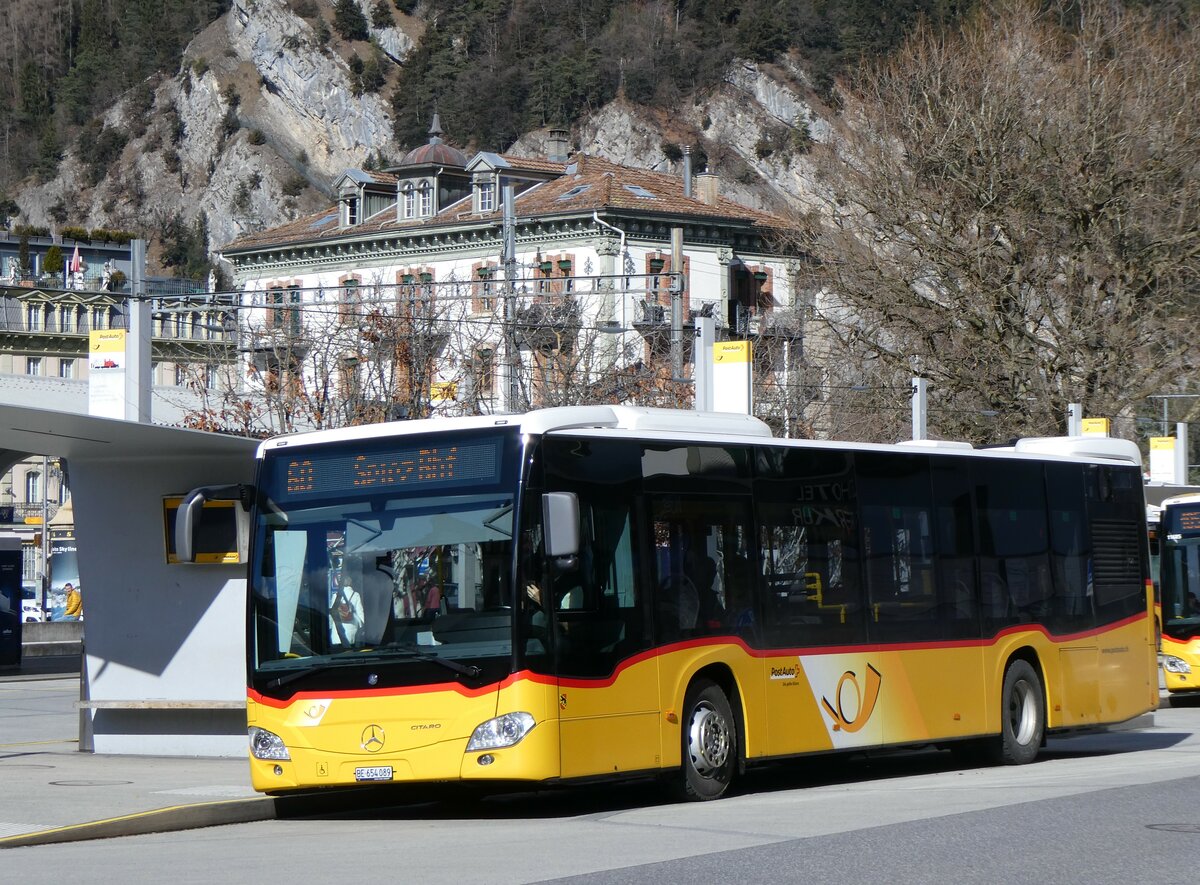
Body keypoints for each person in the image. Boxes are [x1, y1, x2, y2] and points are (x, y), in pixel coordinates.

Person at [329, 581, 364, 646]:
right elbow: (360, 612)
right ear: (351, 583)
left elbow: (332, 613)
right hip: (351, 630)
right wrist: (362, 627)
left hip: (337, 633)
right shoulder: (356, 595)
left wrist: (331, 626)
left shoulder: (335, 595)